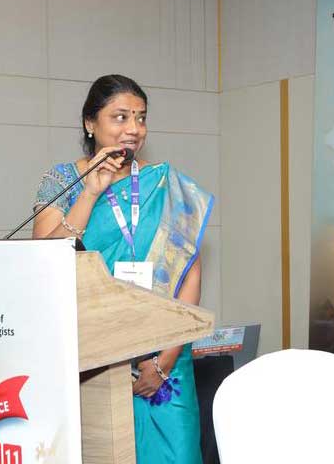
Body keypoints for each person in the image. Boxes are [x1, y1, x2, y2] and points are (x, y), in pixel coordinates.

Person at [32, 74, 213, 464]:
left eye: (141, 117)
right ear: (90, 123)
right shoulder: (62, 181)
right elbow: (44, 259)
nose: (134, 129)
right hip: (95, 360)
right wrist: (90, 192)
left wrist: (164, 361)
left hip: (166, 357)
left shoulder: (164, 183)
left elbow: (190, 271)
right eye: (120, 117)